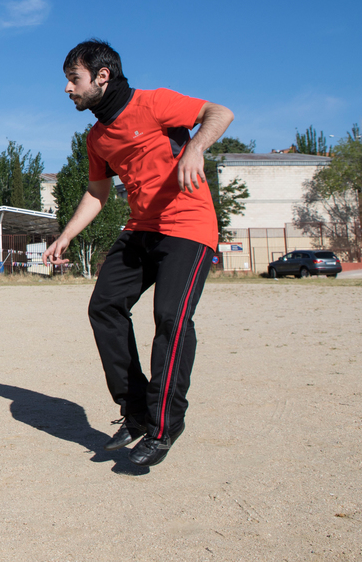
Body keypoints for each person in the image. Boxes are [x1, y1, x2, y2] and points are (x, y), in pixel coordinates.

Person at [42, 39, 233, 467]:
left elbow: (219, 112)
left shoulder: (154, 103)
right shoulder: (97, 137)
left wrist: (195, 149)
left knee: (170, 317)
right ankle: (137, 412)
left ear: (102, 76)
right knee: (104, 306)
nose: (68, 89)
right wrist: (66, 235)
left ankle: (166, 424)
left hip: (188, 227)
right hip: (141, 228)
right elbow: (97, 192)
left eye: (74, 79)